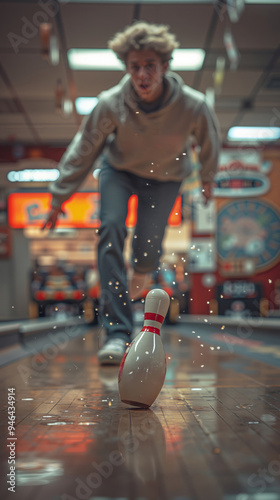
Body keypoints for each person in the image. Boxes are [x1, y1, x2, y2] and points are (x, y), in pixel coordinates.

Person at [43, 21, 220, 365]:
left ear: (165, 66)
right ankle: (116, 333)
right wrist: (58, 197)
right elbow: (85, 149)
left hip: (167, 177)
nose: (142, 74)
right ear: (127, 68)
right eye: (135, 66)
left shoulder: (193, 105)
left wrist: (208, 179)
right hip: (119, 171)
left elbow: (210, 142)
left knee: (147, 246)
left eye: (149, 66)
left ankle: (141, 269)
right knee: (109, 228)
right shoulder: (110, 103)